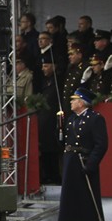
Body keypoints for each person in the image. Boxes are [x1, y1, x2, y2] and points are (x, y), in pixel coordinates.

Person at [58, 86, 108, 221]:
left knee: (90, 201)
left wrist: (91, 164)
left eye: (74, 100)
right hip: (72, 162)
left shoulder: (95, 119)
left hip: (84, 161)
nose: (71, 102)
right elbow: (65, 142)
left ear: (82, 102)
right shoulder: (72, 119)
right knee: (78, 201)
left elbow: (101, 144)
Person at [37, 54, 62, 185]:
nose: (43, 69)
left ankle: (55, 175)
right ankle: (47, 175)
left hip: (53, 120)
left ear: (54, 66)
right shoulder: (46, 81)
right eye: (42, 66)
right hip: (44, 121)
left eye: (46, 66)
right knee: (45, 149)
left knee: (53, 150)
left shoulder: (58, 81)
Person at [62, 43, 87, 115]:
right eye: (69, 55)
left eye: (72, 54)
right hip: (68, 104)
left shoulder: (85, 68)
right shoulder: (71, 68)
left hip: (79, 106)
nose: (69, 57)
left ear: (79, 55)